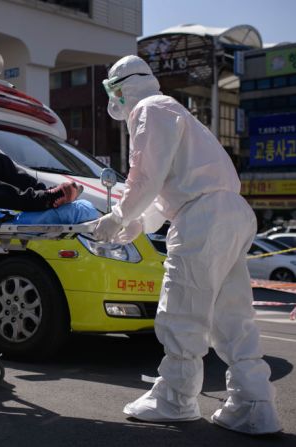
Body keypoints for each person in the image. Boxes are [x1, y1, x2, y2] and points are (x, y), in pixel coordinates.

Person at [92, 55, 281, 434]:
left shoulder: (149, 110)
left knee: (182, 307)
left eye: (113, 91)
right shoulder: (175, 112)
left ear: (122, 88)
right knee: (231, 316)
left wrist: (119, 216)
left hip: (203, 217)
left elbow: (145, 176)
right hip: (229, 212)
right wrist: (139, 224)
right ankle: (254, 403)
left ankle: (175, 399)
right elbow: (166, 189)